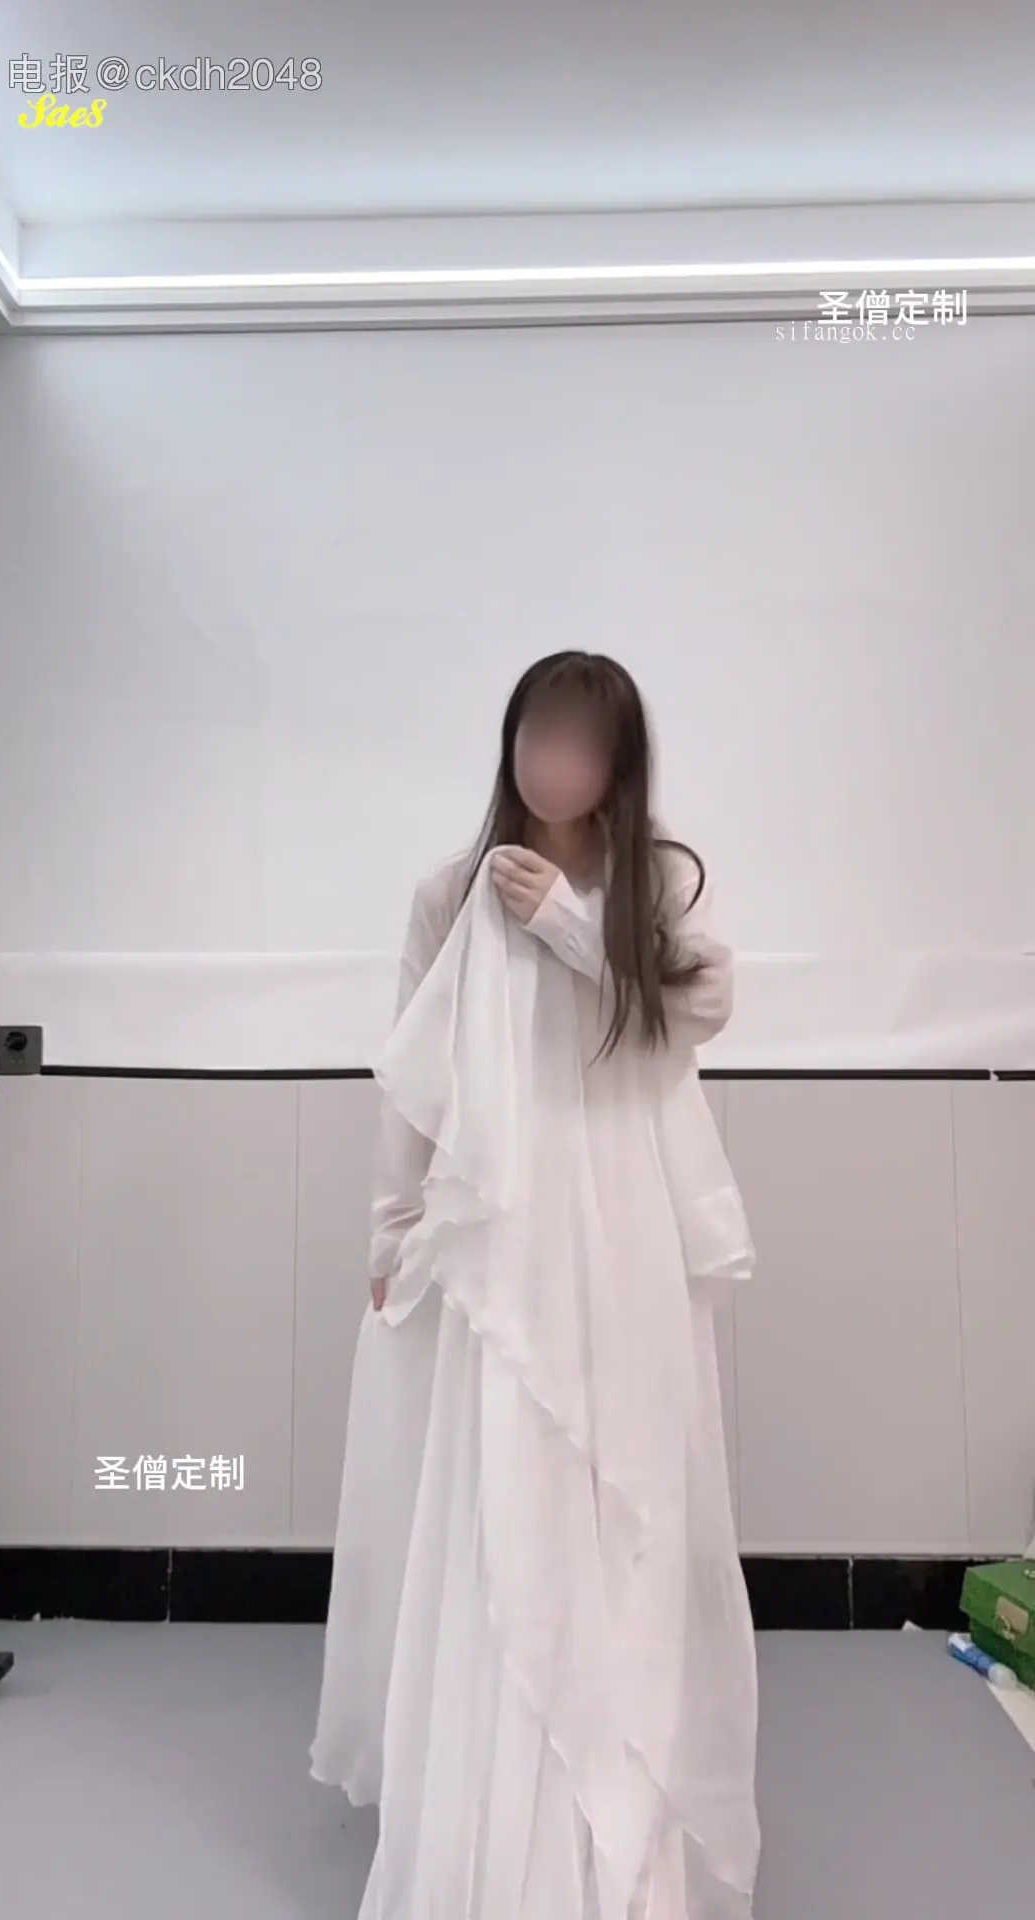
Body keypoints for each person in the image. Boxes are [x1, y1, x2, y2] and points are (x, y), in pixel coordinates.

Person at [310, 651, 760, 1920]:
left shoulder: (655, 882)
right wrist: (391, 1230)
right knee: (502, 1492)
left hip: (619, 1233)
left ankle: (613, 1813)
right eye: (536, 737)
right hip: (500, 1238)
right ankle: (487, 1813)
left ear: (618, 764)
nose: (554, 764)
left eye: (581, 744)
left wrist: (568, 920)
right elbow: (413, 1074)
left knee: (620, 1493)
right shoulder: (451, 891)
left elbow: (696, 1015)